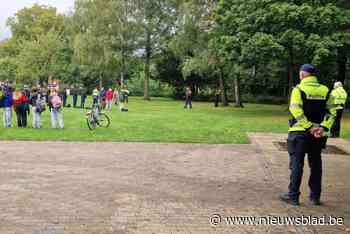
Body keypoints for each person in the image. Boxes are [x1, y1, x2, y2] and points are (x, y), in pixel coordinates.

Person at [279, 64, 337, 206]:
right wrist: (322, 128)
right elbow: (332, 112)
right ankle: (315, 196)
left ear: (302, 75)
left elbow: (296, 110)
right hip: (318, 135)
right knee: (316, 164)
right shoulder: (326, 90)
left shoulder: (298, 89)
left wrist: (309, 127)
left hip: (299, 133)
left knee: (297, 164)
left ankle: (293, 196)